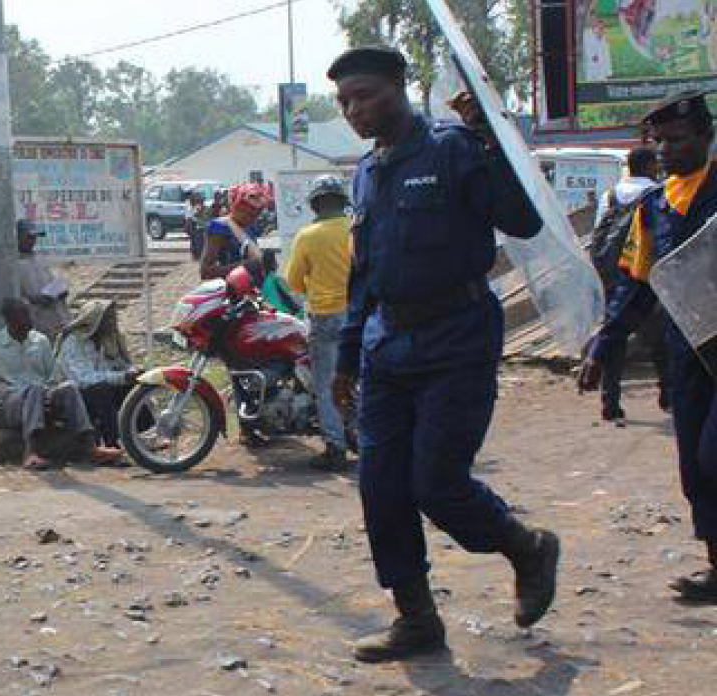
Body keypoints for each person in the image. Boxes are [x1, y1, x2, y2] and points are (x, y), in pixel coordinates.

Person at [328, 46, 560, 663]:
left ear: (400, 87)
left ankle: (525, 546)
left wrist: (493, 136)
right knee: (380, 486)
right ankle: (416, 618)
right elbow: (364, 275)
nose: (354, 110)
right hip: (386, 347)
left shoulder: (456, 149)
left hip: (457, 339)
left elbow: (524, 221)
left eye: (365, 95)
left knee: (436, 483)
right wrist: (347, 355)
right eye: (344, 102)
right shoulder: (366, 172)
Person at [578, 91, 717, 605]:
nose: (667, 150)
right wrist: (603, 344)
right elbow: (634, 284)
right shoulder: (652, 208)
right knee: (695, 465)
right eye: (660, 142)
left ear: (705, 137)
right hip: (688, 347)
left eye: (678, 140)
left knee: (714, 454)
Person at [0, 298, 123, 470]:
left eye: (29, 315)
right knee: (33, 389)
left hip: (39, 395)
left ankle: (90, 447)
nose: (29, 320)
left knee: (68, 388)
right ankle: (31, 452)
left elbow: (53, 375)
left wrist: (51, 393)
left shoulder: (40, 341)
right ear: (9, 319)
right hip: (8, 403)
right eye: (23, 316)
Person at [586, 146, 668, 421]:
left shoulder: (609, 195)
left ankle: (610, 402)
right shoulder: (657, 194)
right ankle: (667, 393)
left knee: (615, 334)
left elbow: (598, 235)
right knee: (659, 335)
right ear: (649, 166)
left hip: (613, 276)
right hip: (647, 274)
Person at [285, 174, 354, 471]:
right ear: (342, 201)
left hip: (325, 317)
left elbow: (294, 282)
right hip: (361, 315)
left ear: (315, 204)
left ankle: (335, 449)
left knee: (326, 386)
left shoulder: (308, 236)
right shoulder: (356, 228)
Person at [54, 300, 143, 449]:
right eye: (108, 319)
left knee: (134, 388)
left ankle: (141, 437)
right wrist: (122, 376)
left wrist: (133, 372)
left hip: (96, 388)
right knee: (101, 390)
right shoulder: (73, 342)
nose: (113, 323)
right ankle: (111, 444)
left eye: (114, 318)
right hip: (73, 395)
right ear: (95, 321)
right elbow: (84, 379)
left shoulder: (106, 342)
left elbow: (119, 365)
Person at [200, 183, 269, 281]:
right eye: (248, 212)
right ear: (236, 207)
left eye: (257, 213)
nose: (253, 217)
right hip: (230, 290)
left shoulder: (249, 226)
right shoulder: (219, 227)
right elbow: (205, 272)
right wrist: (247, 266)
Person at [15, 219, 69, 340]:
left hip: (58, 321)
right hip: (38, 326)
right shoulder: (12, 264)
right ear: (18, 237)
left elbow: (52, 284)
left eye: (34, 237)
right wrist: (34, 300)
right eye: (29, 237)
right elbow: (12, 301)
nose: (33, 241)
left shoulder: (39, 258)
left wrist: (61, 291)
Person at [185, 192, 209, 262]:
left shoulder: (202, 208)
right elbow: (189, 218)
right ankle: (196, 255)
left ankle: (198, 255)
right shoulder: (191, 208)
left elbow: (204, 218)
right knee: (195, 241)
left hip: (200, 227)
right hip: (194, 227)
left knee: (199, 242)